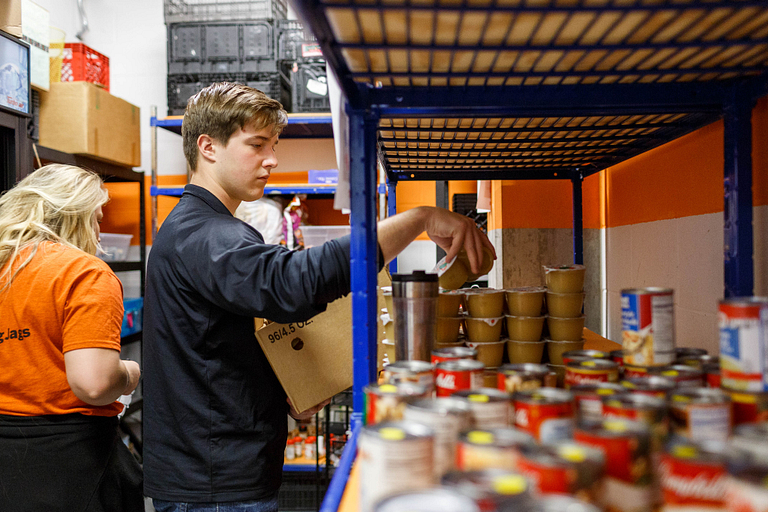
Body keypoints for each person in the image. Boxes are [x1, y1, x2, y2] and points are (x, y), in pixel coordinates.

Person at [143, 82, 495, 512]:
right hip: (215, 487)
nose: (272, 159)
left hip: (219, 473)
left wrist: (287, 388)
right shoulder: (204, 234)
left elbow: (216, 344)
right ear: (208, 147)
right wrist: (418, 219)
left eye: (273, 145)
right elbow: (294, 285)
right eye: (256, 144)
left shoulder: (205, 229)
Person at [0, 164, 143, 511]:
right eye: (96, 219)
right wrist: (129, 373)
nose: (98, 231)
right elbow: (94, 385)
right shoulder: (83, 272)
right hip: (69, 458)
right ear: (76, 217)